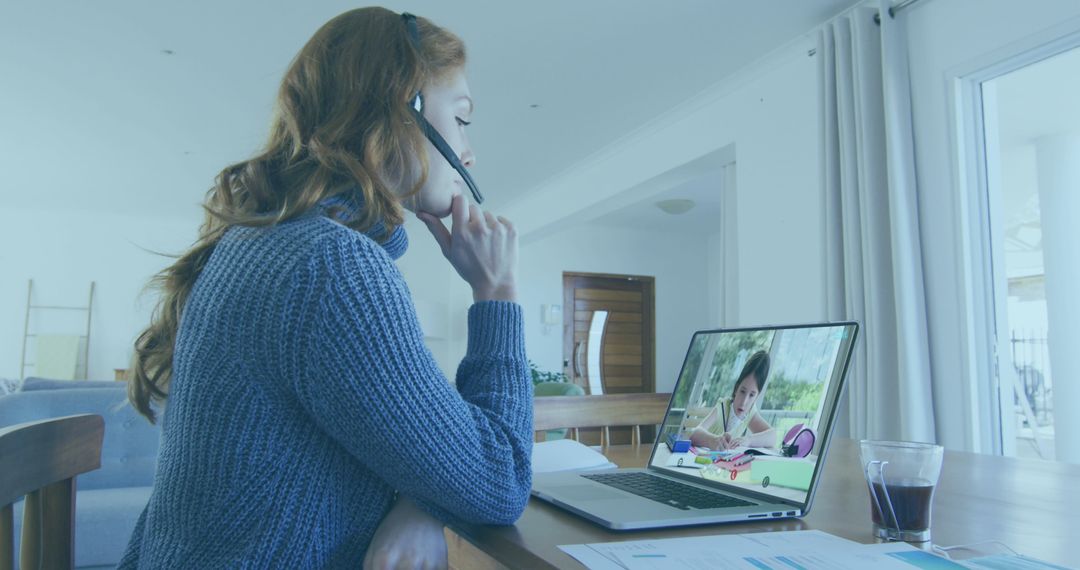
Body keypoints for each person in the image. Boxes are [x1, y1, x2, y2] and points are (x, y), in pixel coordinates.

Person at [119, 7, 531, 569]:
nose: (469, 152)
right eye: (460, 119)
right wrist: (497, 293)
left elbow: (424, 450)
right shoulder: (332, 268)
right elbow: (499, 479)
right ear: (404, 106)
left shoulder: (272, 243)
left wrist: (424, 501)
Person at [689, 351, 775, 450]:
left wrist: (749, 440)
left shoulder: (750, 413)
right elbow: (694, 433)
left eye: (752, 395)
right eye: (742, 391)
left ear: (757, 396)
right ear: (736, 388)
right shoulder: (723, 407)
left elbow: (772, 436)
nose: (744, 402)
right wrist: (713, 441)